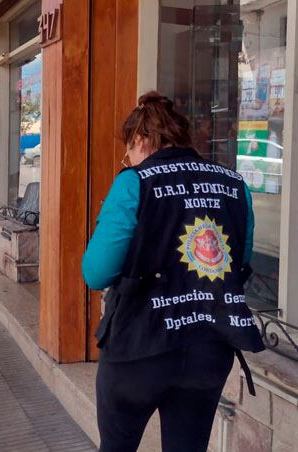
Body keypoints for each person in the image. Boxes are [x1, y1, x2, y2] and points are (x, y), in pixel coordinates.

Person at [82, 92, 264, 452]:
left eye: (128, 150)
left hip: (140, 347)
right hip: (209, 346)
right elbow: (239, 261)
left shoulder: (135, 182)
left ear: (140, 140)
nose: (129, 159)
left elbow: (96, 272)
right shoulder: (234, 184)